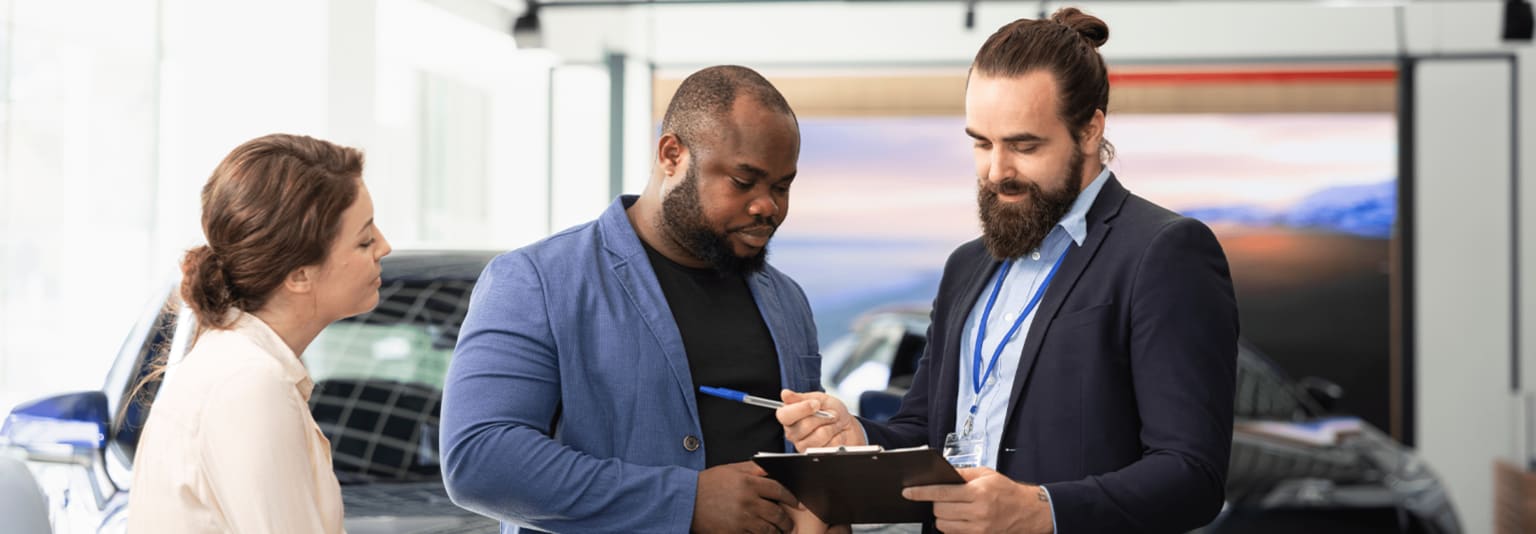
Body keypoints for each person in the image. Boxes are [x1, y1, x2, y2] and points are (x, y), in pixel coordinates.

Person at [776, 8, 1240, 533]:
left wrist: (1041, 510)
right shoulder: (966, 266)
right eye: (981, 143)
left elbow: (1192, 477)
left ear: (1090, 129)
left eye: (1024, 145)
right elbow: (924, 431)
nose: (997, 172)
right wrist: (856, 438)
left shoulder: (1166, 252)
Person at [441, 65, 838, 533]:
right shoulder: (536, 280)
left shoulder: (786, 299)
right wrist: (684, 501)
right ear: (672, 154)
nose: (767, 206)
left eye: (781, 186)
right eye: (743, 180)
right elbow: (480, 460)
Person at [127, 133, 392, 533]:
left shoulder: (241, 367)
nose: (385, 247)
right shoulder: (249, 385)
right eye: (365, 240)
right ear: (299, 274)